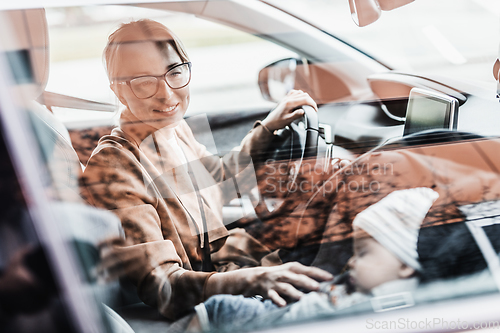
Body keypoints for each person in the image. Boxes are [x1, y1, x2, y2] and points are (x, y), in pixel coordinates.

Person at [80, 19, 333, 320]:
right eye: (145, 81)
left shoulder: (173, 129)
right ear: (119, 91)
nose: (167, 94)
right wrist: (255, 280)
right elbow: (163, 285)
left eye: (175, 72)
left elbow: (219, 179)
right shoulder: (114, 167)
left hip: (236, 266)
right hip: (205, 308)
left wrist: (268, 128)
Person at [187, 187, 439, 332]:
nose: (351, 262)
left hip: (282, 320)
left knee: (218, 308)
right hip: (287, 310)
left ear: (406, 265)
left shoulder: (394, 300)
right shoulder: (370, 284)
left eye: (362, 253)